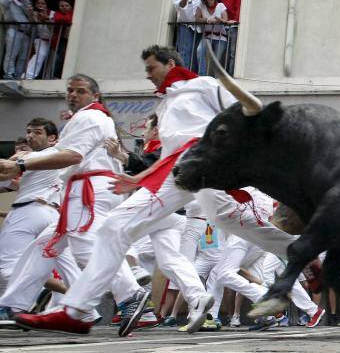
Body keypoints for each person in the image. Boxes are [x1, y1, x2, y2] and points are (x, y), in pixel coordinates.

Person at [12, 45, 298, 335]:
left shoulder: (204, 85)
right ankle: (304, 254)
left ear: (169, 63)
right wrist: (138, 179)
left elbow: (246, 118)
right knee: (219, 221)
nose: (148, 75)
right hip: (184, 172)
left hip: (200, 165)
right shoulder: (166, 103)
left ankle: (79, 310)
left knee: (117, 226)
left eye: (151, 68)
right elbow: (168, 156)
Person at [0, 75, 146, 336]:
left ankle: (130, 294)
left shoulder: (90, 118)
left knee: (88, 247)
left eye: (80, 91)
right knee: (44, 246)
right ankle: (12, 306)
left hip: (88, 190)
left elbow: (72, 156)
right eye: (70, 91)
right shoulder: (91, 119)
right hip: (84, 190)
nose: (73, 95)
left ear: (95, 96)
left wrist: (21, 164)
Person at [0, 118, 61, 294]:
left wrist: (13, 159)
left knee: (6, 266)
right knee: (50, 268)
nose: (30, 136)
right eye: (29, 132)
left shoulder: (28, 158)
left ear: (52, 138)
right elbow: (13, 184)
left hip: (28, 212)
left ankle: (10, 306)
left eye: (37, 132)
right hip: (53, 217)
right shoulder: (59, 157)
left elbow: (4, 173)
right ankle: (81, 306)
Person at [195, 0, 232, 75]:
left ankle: (214, 80)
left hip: (220, 36)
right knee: (200, 51)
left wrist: (219, 19)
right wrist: (208, 19)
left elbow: (225, 19)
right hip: (207, 36)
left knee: (216, 60)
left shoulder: (220, 5)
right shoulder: (201, 6)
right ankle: (202, 76)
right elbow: (197, 19)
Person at [0, 0, 32, 79]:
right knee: (12, 54)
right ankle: (9, 74)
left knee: (22, 57)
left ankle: (18, 75)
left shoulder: (22, 1)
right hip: (14, 29)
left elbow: (29, 12)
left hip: (25, 31)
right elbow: (3, 3)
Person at [172, 0, 201, 71]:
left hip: (197, 28)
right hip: (185, 26)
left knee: (196, 53)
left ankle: (192, 75)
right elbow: (179, 6)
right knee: (185, 53)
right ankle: (184, 75)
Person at [23, 0, 54, 80]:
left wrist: (46, 18)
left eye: (43, 3)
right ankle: (28, 75)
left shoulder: (52, 13)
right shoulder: (35, 14)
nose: (41, 5)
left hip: (53, 40)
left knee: (51, 61)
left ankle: (47, 78)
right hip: (41, 39)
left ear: (46, 5)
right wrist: (32, 15)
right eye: (38, 3)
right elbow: (32, 22)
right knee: (40, 55)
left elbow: (53, 27)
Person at [215, 0, 241, 74]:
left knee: (232, 53)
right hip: (222, 26)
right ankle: (220, 75)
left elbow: (239, 8)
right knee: (220, 52)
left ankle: (230, 75)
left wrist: (235, 20)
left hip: (233, 27)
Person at [50, 0, 72, 78]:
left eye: (66, 5)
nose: (64, 7)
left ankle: (58, 75)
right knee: (60, 57)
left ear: (70, 6)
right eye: (62, 6)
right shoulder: (57, 14)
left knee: (66, 58)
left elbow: (67, 19)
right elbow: (59, 19)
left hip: (69, 39)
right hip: (62, 39)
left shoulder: (73, 13)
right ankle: (55, 75)